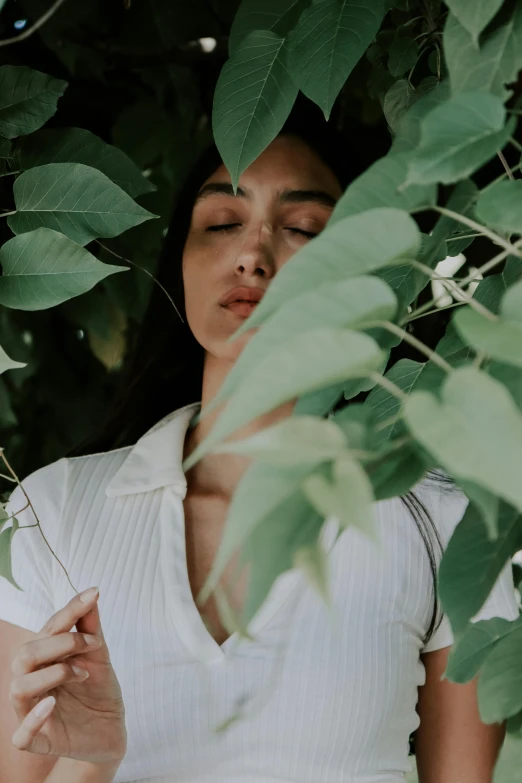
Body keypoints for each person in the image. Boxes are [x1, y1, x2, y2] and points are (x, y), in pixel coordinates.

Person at [0, 103, 519, 783]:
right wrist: (92, 758)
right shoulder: (54, 512)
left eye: (303, 228)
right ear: (181, 261)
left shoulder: (447, 521)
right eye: (221, 222)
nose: (253, 253)